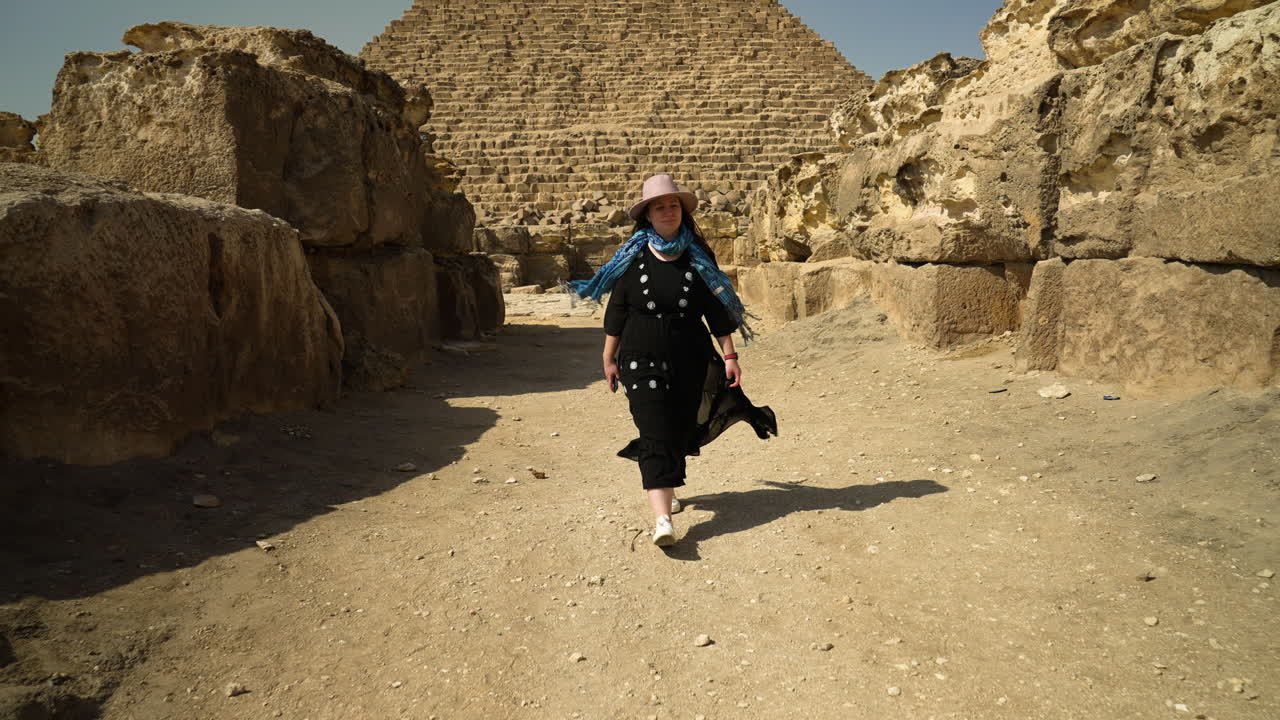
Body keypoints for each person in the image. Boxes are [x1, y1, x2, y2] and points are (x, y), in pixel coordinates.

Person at [570, 174, 777, 547]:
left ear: (682, 212)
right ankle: (662, 518)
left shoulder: (698, 258)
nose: (667, 211)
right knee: (654, 428)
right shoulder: (631, 259)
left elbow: (717, 312)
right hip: (638, 358)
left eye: (673, 205)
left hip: (690, 357)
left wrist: (729, 355)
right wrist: (608, 357)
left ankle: (666, 478)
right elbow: (616, 312)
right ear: (647, 215)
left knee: (678, 428)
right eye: (659, 206)